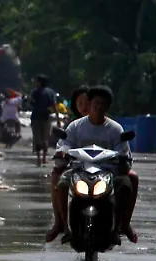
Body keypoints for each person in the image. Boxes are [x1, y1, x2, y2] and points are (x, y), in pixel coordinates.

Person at [48, 85, 139, 243]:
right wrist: (63, 152)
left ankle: (121, 225)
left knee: (125, 185)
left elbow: (123, 150)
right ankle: (62, 225)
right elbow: (66, 143)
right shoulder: (75, 126)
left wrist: (122, 159)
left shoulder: (115, 129)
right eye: (96, 102)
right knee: (62, 184)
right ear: (89, 104)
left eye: (103, 103)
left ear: (108, 106)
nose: (99, 106)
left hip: (108, 173)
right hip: (79, 171)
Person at [29, 74, 57, 166]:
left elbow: (31, 103)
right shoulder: (51, 92)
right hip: (46, 117)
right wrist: (58, 119)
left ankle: (38, 159)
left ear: (40, 82)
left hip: (36, 117)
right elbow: (54, 105)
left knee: (37, 139)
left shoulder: (34, 92)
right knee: (45, 138)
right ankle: (44, 158)